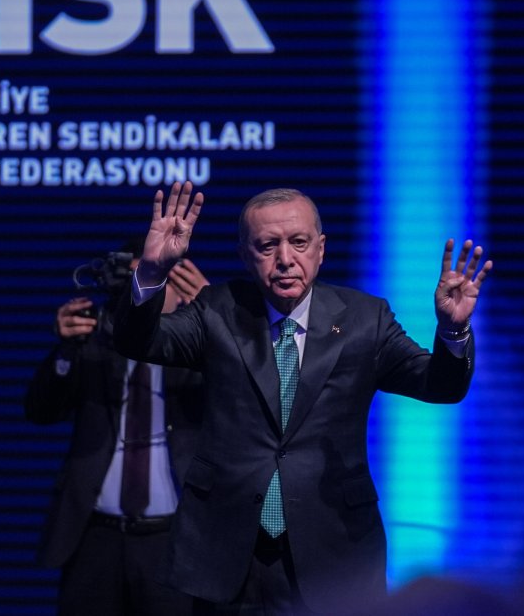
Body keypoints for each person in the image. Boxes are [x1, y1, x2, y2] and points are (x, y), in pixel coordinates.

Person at [113, 182, 492, 614]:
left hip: (333, 546)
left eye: (298, 242)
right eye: (267, 246)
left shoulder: (366, 319)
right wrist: (151, 275)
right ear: (245, 255)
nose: (285, 260)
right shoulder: (217, 309)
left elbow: (441, 386)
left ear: (321, 249)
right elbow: (136, 342)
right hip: (231, 550)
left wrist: (452, 331)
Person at [25, 245, 210, 616]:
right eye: (140, 283)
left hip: (174, 541)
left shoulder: (203, 350)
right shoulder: (96, 344)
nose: (146, 295)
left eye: (159, 281)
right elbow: (41, 411)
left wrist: (214, 319)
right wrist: (66, 351)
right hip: (96, 538)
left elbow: (249, 397)